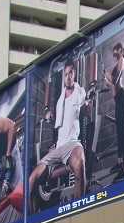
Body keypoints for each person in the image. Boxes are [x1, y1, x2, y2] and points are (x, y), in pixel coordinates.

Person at [29, 62, 89, 213]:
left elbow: (86, 111)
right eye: (66, 74)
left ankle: (77, 213)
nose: (68, 77)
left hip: (72, 144)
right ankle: (34, 221)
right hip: (58, 147)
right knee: (32, 180)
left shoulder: (79, 93)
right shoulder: (60, 101)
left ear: (74, 75)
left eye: (70, 73)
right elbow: (58, 126)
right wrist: (49, 120)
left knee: (80, 164)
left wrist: (88, 104)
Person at [103, 42, 124, 182]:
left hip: (121, 97)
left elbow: (115, 82)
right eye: (113, 53)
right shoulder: (118, 62)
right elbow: (113, 84)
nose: (114, 55)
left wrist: (107, 79)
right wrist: (107, 77)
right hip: (118, 98)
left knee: (123, 132)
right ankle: (119, 162)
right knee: (119, 131)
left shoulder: (121, 60)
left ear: (120, 50)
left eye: (116, 52)